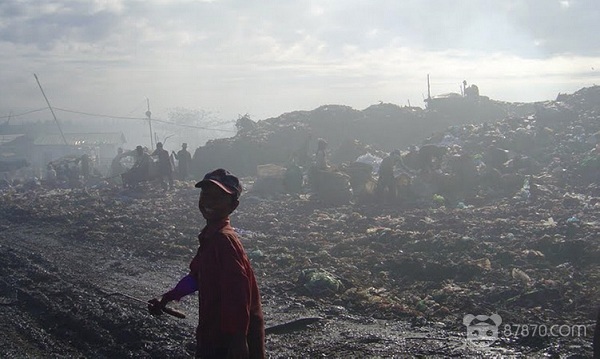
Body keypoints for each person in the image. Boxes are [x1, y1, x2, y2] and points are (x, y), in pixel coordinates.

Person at [148, 168, 265, 359]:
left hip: (230, 337)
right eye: (205, 194)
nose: (209, 202)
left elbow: (238, 293)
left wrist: (238, 340)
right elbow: (196, 278)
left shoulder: (224, 241)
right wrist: (167, 297)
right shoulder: (211, 236)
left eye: (218, 197)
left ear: (233, 205)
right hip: (215, 332)